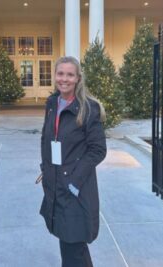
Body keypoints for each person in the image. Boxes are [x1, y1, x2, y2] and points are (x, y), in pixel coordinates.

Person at [39, 56, 107, 267]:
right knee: (70, 244)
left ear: (78, 78)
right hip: (55, 182)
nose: (64, 79)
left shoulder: (88, 108)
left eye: (70, 74)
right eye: (60, 74)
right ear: (55, 76)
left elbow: (98, 150)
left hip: (74, 187)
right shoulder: (52, 103)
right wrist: (47, 168)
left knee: (73, 246)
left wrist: (74, 181)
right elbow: (47, 138)